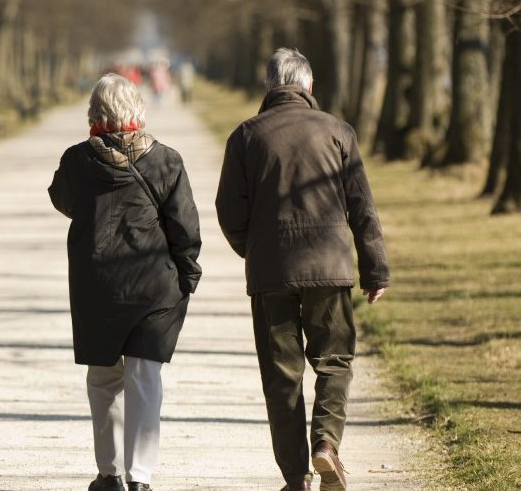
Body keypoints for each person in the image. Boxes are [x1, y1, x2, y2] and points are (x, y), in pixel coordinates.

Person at [215, 48, 390, 491]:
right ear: (309, 86)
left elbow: (228, 210)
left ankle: (296, 477)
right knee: (334, 360)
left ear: (270, 87)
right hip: (329, 266)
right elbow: (362, 207)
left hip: (271, 272)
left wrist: (252, 249)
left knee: (281, 375)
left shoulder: (246, 137)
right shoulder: (338, 132)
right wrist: (375, 270)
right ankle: (326, 444)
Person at [48, 73, 203, 491]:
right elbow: (185, 230)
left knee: (103, 379)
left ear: (94, 114)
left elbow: (61, 200)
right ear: (138, 108)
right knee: (145, 377)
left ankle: (109, 473)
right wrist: (186, 278)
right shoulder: (166, 160)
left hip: (96, 288)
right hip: (154, 290)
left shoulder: (77, 161)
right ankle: (141, 477)